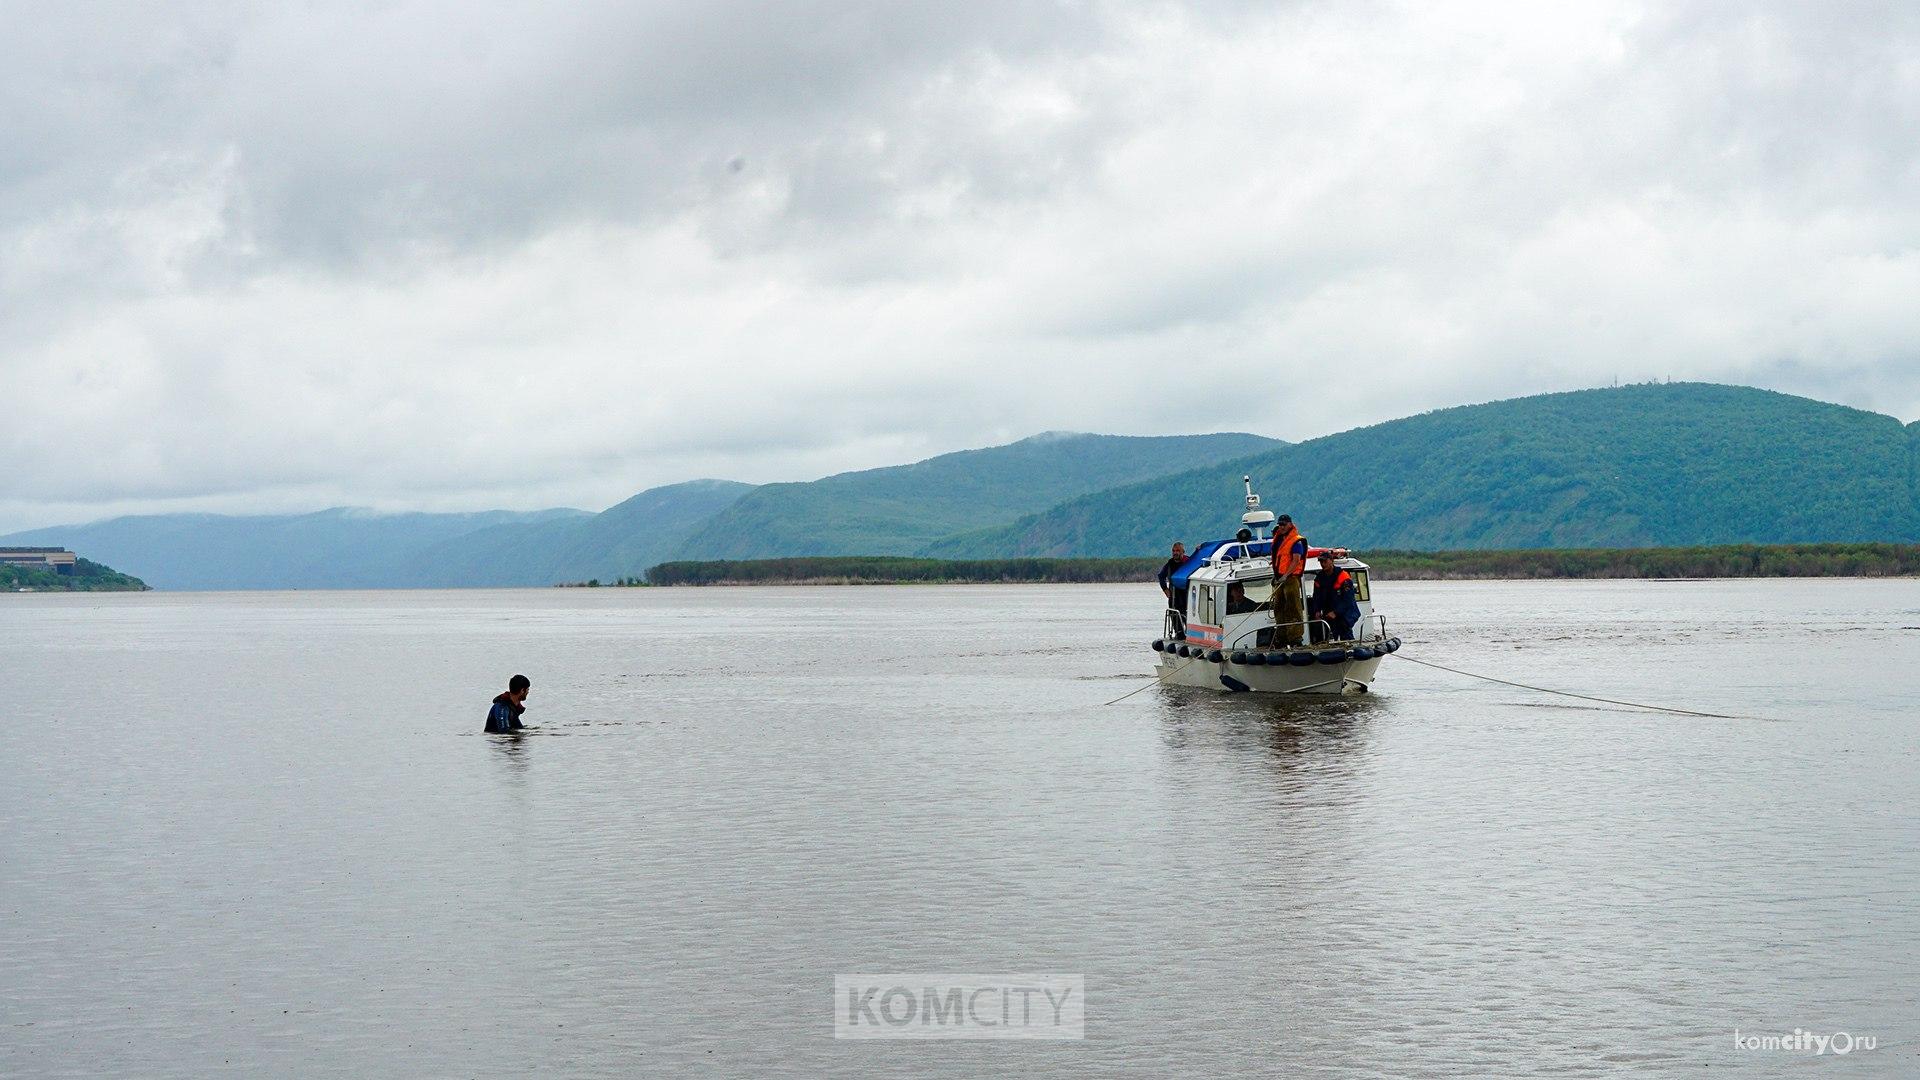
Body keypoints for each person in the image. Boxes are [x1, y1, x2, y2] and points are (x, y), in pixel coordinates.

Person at [1270, 514, 1308, 646]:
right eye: (1280, 524)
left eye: (1284, 524)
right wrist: (1278, 577)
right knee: (1278, 607)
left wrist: (1286, 575)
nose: (1281, 527)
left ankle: (1295, 637)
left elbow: (1296, 560)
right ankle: (1282, 636)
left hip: (1291, 578)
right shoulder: (1279, 539)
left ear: (1290, 524)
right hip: (1279, 578)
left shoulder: (1296, 541)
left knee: (1293, 607)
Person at [1310, 554, 1361, 641]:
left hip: (1347, 612)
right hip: (1329, 611)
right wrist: (1317, 610)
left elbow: (1348, 599)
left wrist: (1336, 612)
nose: (1323, 564)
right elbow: (1316, 597)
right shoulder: (1319, 578)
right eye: (1321, 562)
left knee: (1344, 629)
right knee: (1325, 631)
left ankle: (1349, 647)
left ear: (1331, 561)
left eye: (1325, 561)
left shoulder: (1343, 577)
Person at [1157, 542, 1190, 638]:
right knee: (1174, 616)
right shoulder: (1170, 563)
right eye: (1173, 551)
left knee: (1187, 617)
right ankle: (1179, 633)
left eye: (1178, 551)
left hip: (1186, 596)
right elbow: (1161, 576)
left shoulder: (1188, 562)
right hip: (1174, 597)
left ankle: (1190, 634)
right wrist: (1165, 589)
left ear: (1183, 551)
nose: (1175, 553)